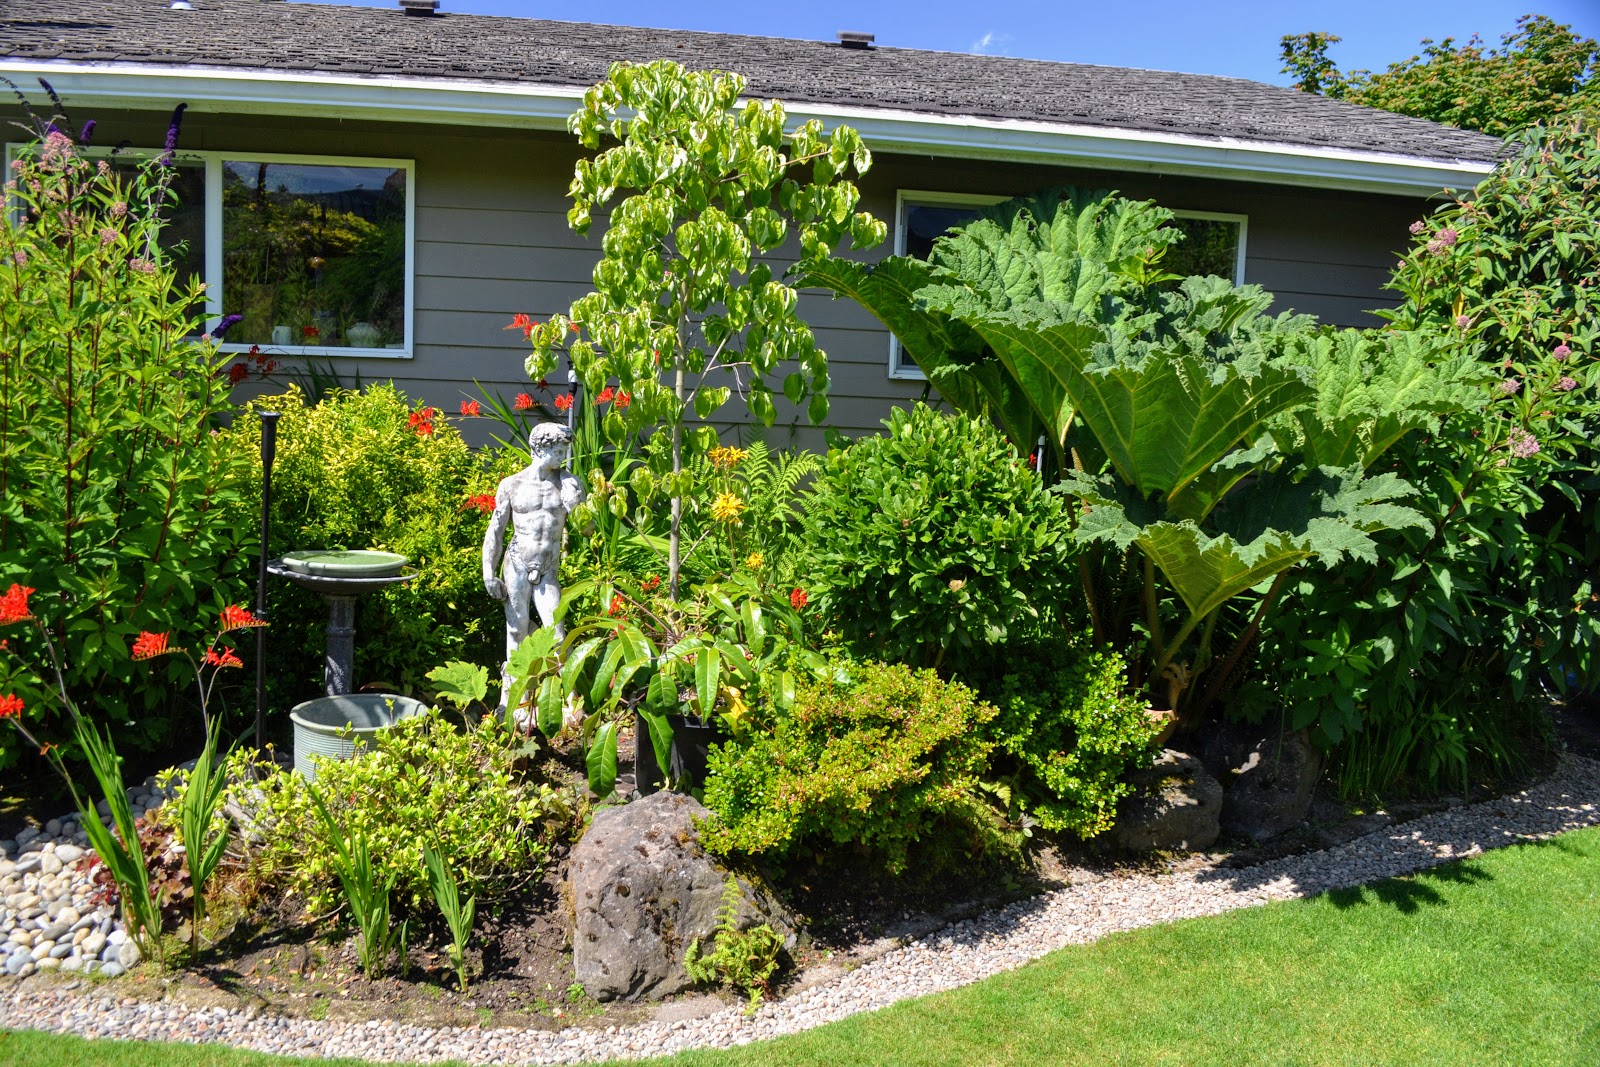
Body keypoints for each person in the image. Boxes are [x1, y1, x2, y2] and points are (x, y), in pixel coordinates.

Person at [482, 422, 585, 710]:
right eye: (559, 450)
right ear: (540, 448)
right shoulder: (512, 485)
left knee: (557, 631)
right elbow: (496, 531)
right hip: (516, 564)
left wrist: (575, 502)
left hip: (547, 570)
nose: (563, 457)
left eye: (565, 450)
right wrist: (488, 572)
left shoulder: (567, 484)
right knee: (517, 630)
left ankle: (569, 700)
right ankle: (514, 700)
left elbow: (587, 529)